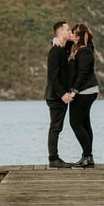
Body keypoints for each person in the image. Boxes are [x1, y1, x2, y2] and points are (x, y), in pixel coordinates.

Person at [67, 23, 99, 168]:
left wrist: (74, 90)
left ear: (78, 36)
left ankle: (87, 156)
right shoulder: (79, 49)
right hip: (86, 91)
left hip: (85, 91)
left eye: (72, 33)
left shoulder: (84, 51)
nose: (70, 35)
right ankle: (87, 157)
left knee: (75, 122)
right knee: (85, 123)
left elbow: (83, 73)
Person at [44, 21, 74, 168]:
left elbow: (74, 42)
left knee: (57, 127)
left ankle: (54, 158)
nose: (70, 32)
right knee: (55, 127)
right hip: (55, 96)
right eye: (68, 30)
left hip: (59, 96)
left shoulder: (63, 48)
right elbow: (52, 77)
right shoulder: (55, 51)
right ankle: (53, 159)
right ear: (61, 32)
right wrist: (62, 94)